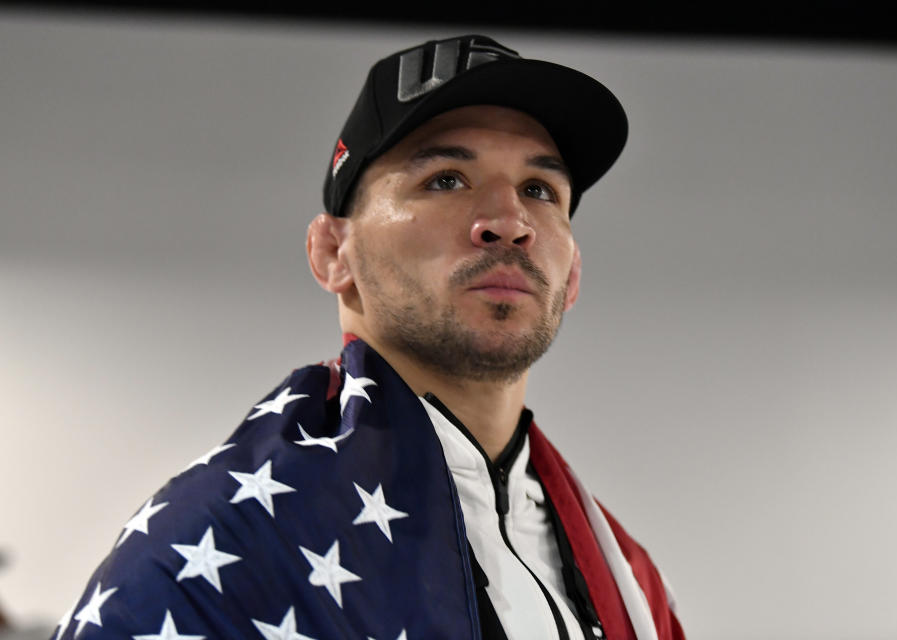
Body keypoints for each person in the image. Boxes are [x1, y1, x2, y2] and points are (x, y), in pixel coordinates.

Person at [54, 35, 685, 640]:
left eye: (539, 190)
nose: (509, 222)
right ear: (334, 253)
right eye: (446, 179)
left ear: (570, 274)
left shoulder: (630, 581)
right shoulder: (221, 550)